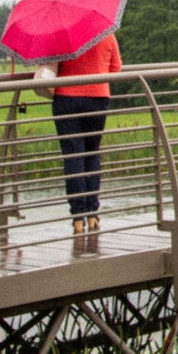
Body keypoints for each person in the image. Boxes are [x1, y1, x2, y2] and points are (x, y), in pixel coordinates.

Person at [51, 32, 123, 235]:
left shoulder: (61, 35)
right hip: (98, 97)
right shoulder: (106, 34)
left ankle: (77, 218)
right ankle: (92, 214)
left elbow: (50, 67)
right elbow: (116, 68)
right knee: (92, 153)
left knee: (73, 157)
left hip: (67, 98)